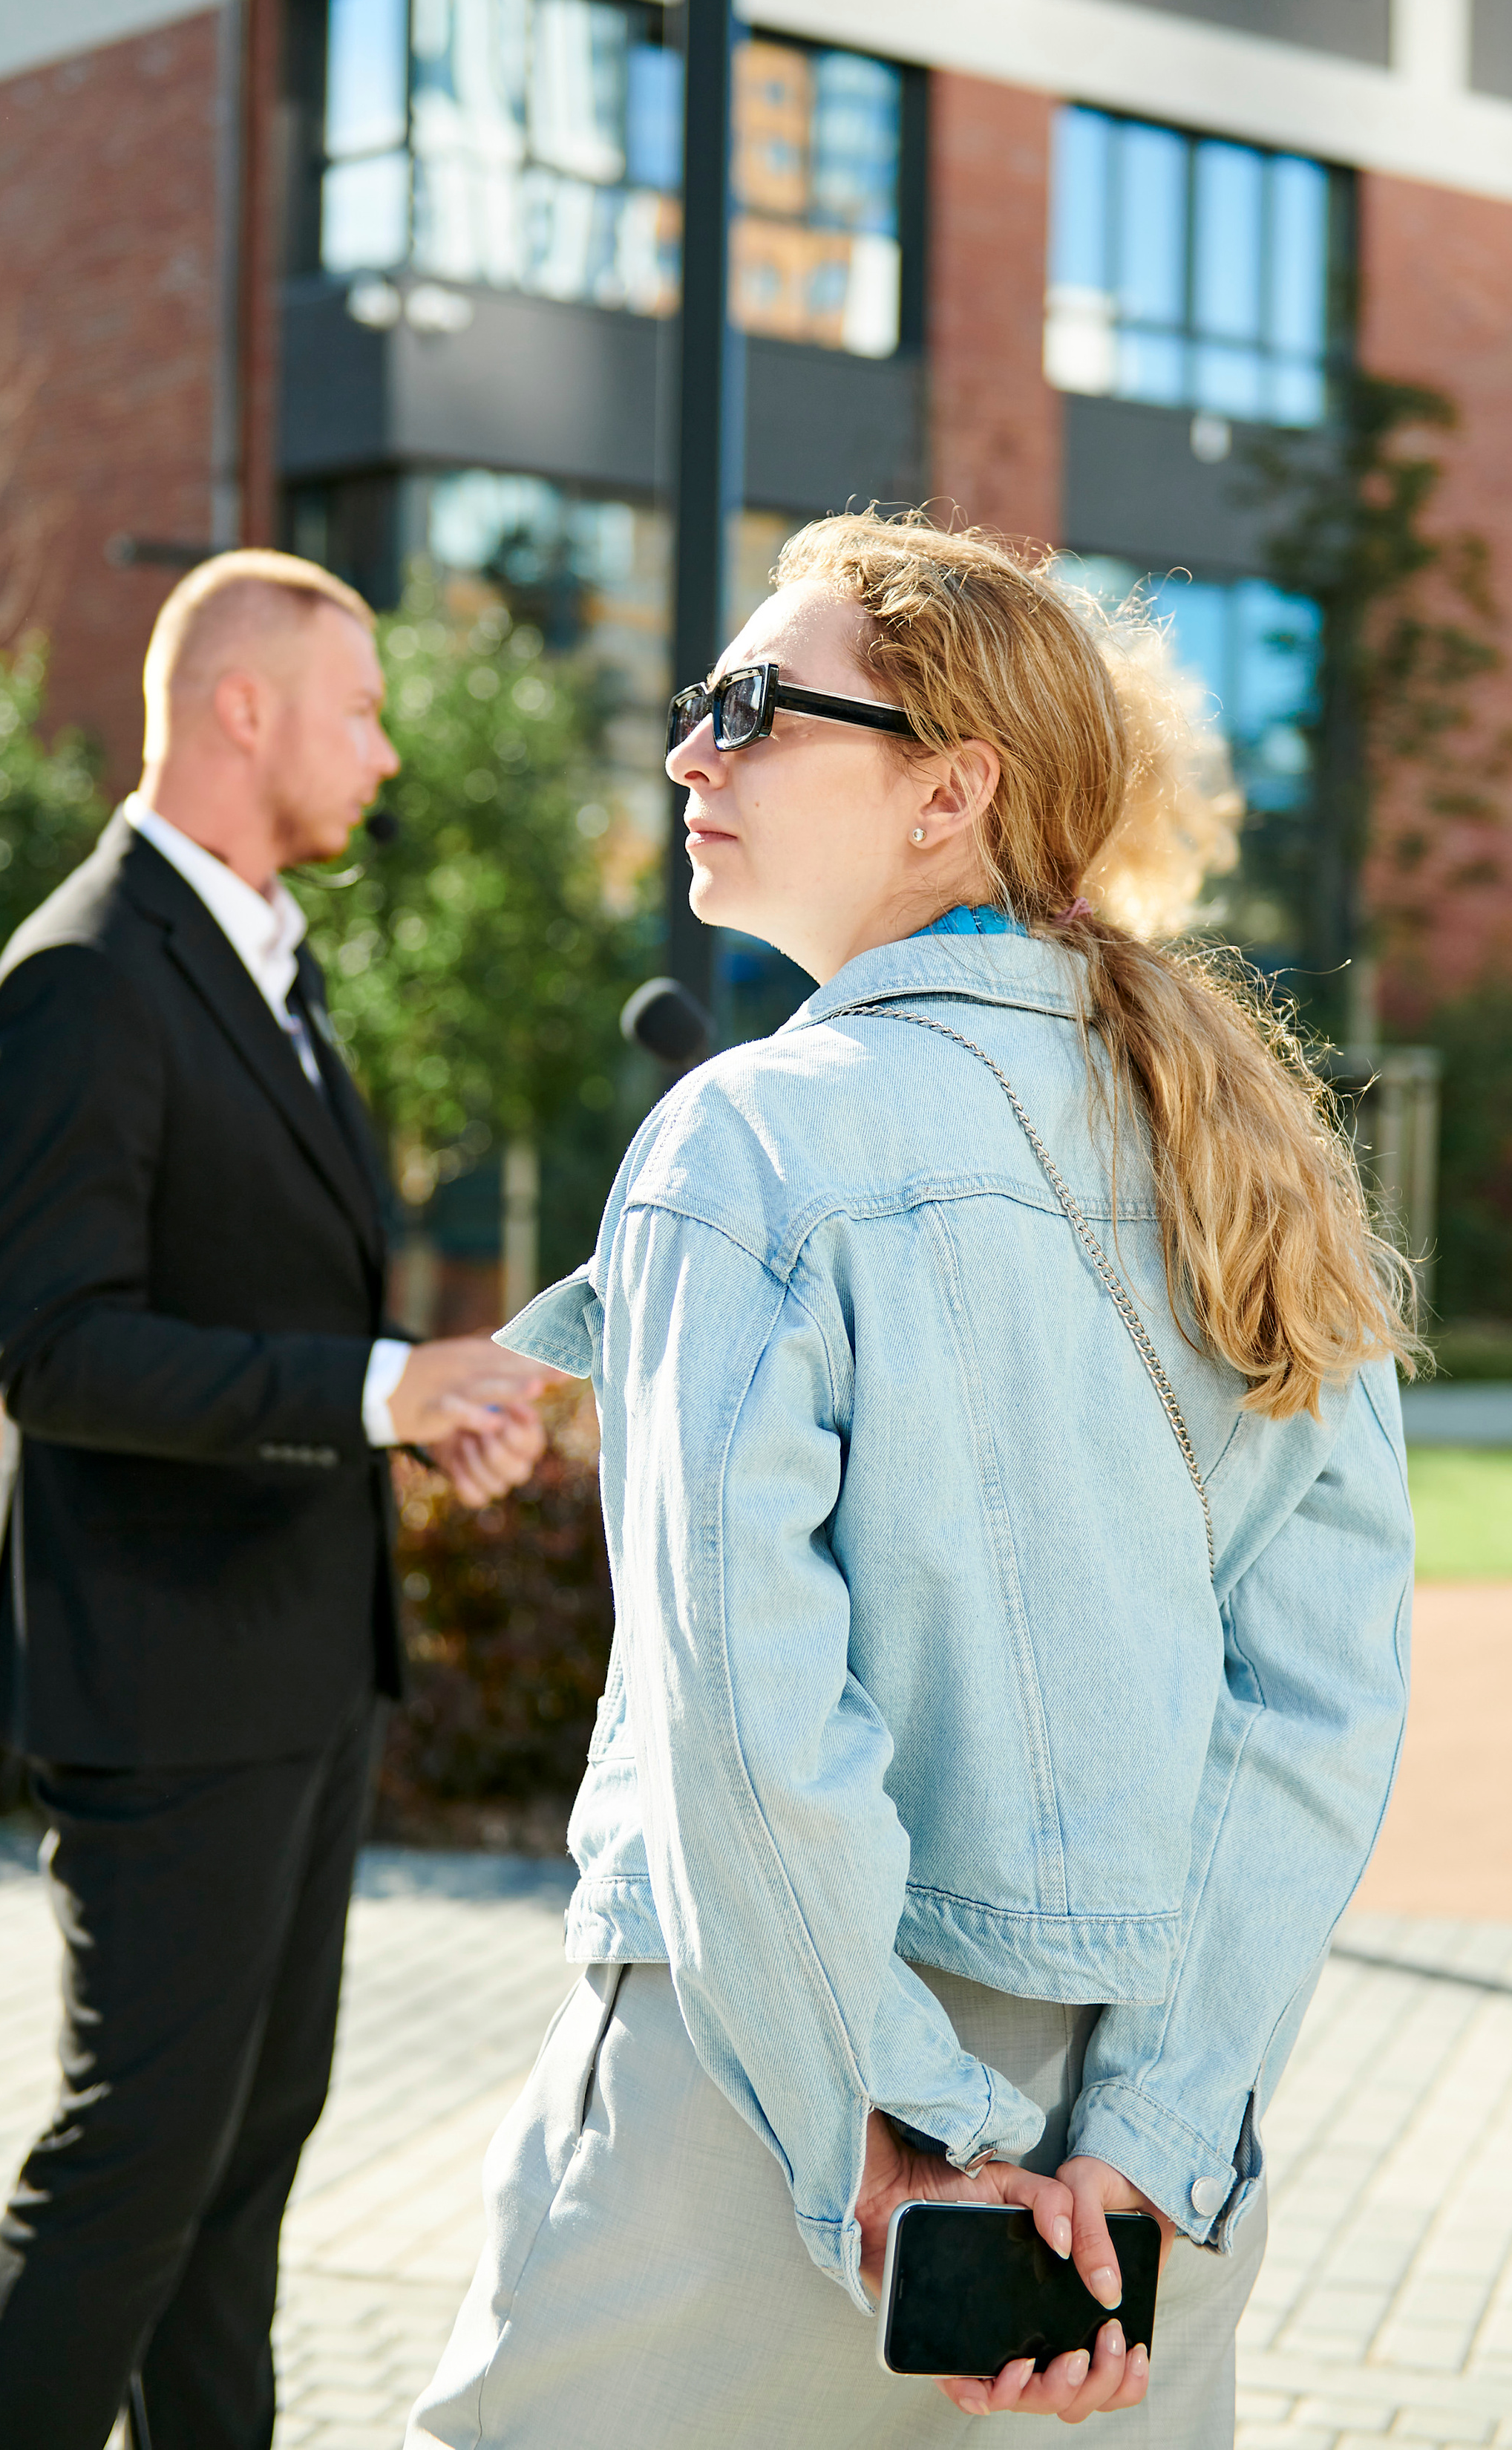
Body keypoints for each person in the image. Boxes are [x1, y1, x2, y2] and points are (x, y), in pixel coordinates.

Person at [408, 514, 1418, 2449]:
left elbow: (744, 1727)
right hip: (1134, 2198)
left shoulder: (752, 1144)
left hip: (759, 2129)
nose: (689, 749)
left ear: (951, 794)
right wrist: (1148, 2140)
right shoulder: (1260, 1164)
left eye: (750, 707)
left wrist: (894, 2146)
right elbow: (1321, 1709)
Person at [0, 549, 549, 2450]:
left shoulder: (263, 963)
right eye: (360, 709)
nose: (384, 752)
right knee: (132, 2174)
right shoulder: (82, 977)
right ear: (242, 707)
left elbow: (255, 1303)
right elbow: (57, 1352)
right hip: (164, 1690)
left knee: (235, 2184)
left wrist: (412, 1415)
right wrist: (373, 1387)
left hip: (292, 1674)